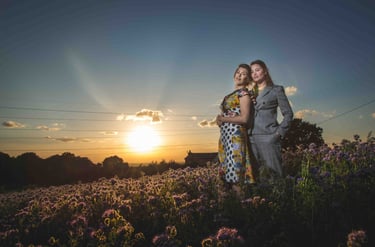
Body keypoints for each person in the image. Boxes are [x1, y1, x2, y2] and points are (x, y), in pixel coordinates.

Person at [248, 59, 293, 179]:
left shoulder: (276, 90)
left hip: (269, 137)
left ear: (265, 71)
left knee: (275, 179)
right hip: (250, 139)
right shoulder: (249, 93)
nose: (255, 74)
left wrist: (278, 134)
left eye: (257, 70)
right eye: (252, 72)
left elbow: (288, 114)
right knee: (256, 180)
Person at [216, 64, 255, 188]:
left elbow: (244, 118)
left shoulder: (244, 94)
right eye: (238, 72)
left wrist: (223, 118)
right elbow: (230, 114)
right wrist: (220, 121)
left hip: (235, 135)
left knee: (236, 175)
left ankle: (241, 205)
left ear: (247, 79)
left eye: (243, 74)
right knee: (228, 173)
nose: (239, 75)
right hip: (226, 136)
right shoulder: (233, 93)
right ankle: (234, 204)